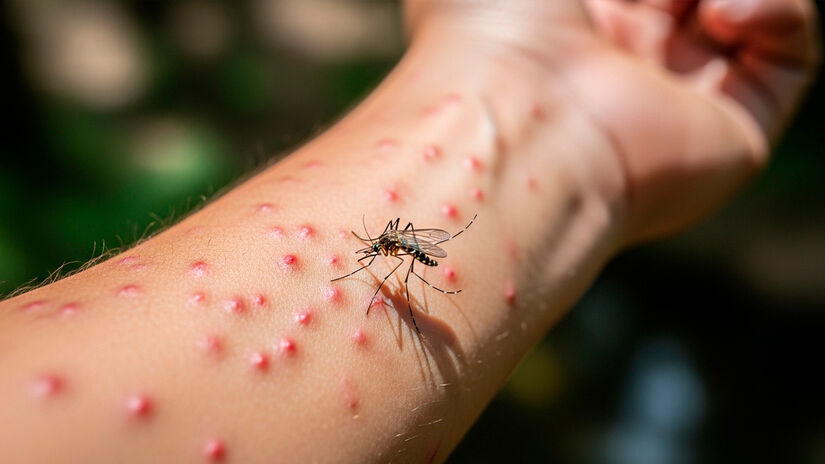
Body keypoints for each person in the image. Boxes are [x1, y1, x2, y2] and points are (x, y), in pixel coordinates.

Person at [0, 0, 819, 461]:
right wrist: (530, 97)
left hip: (461, 216)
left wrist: (532, 99)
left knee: (400, 257)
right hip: (490, 176)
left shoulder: (402, 251)